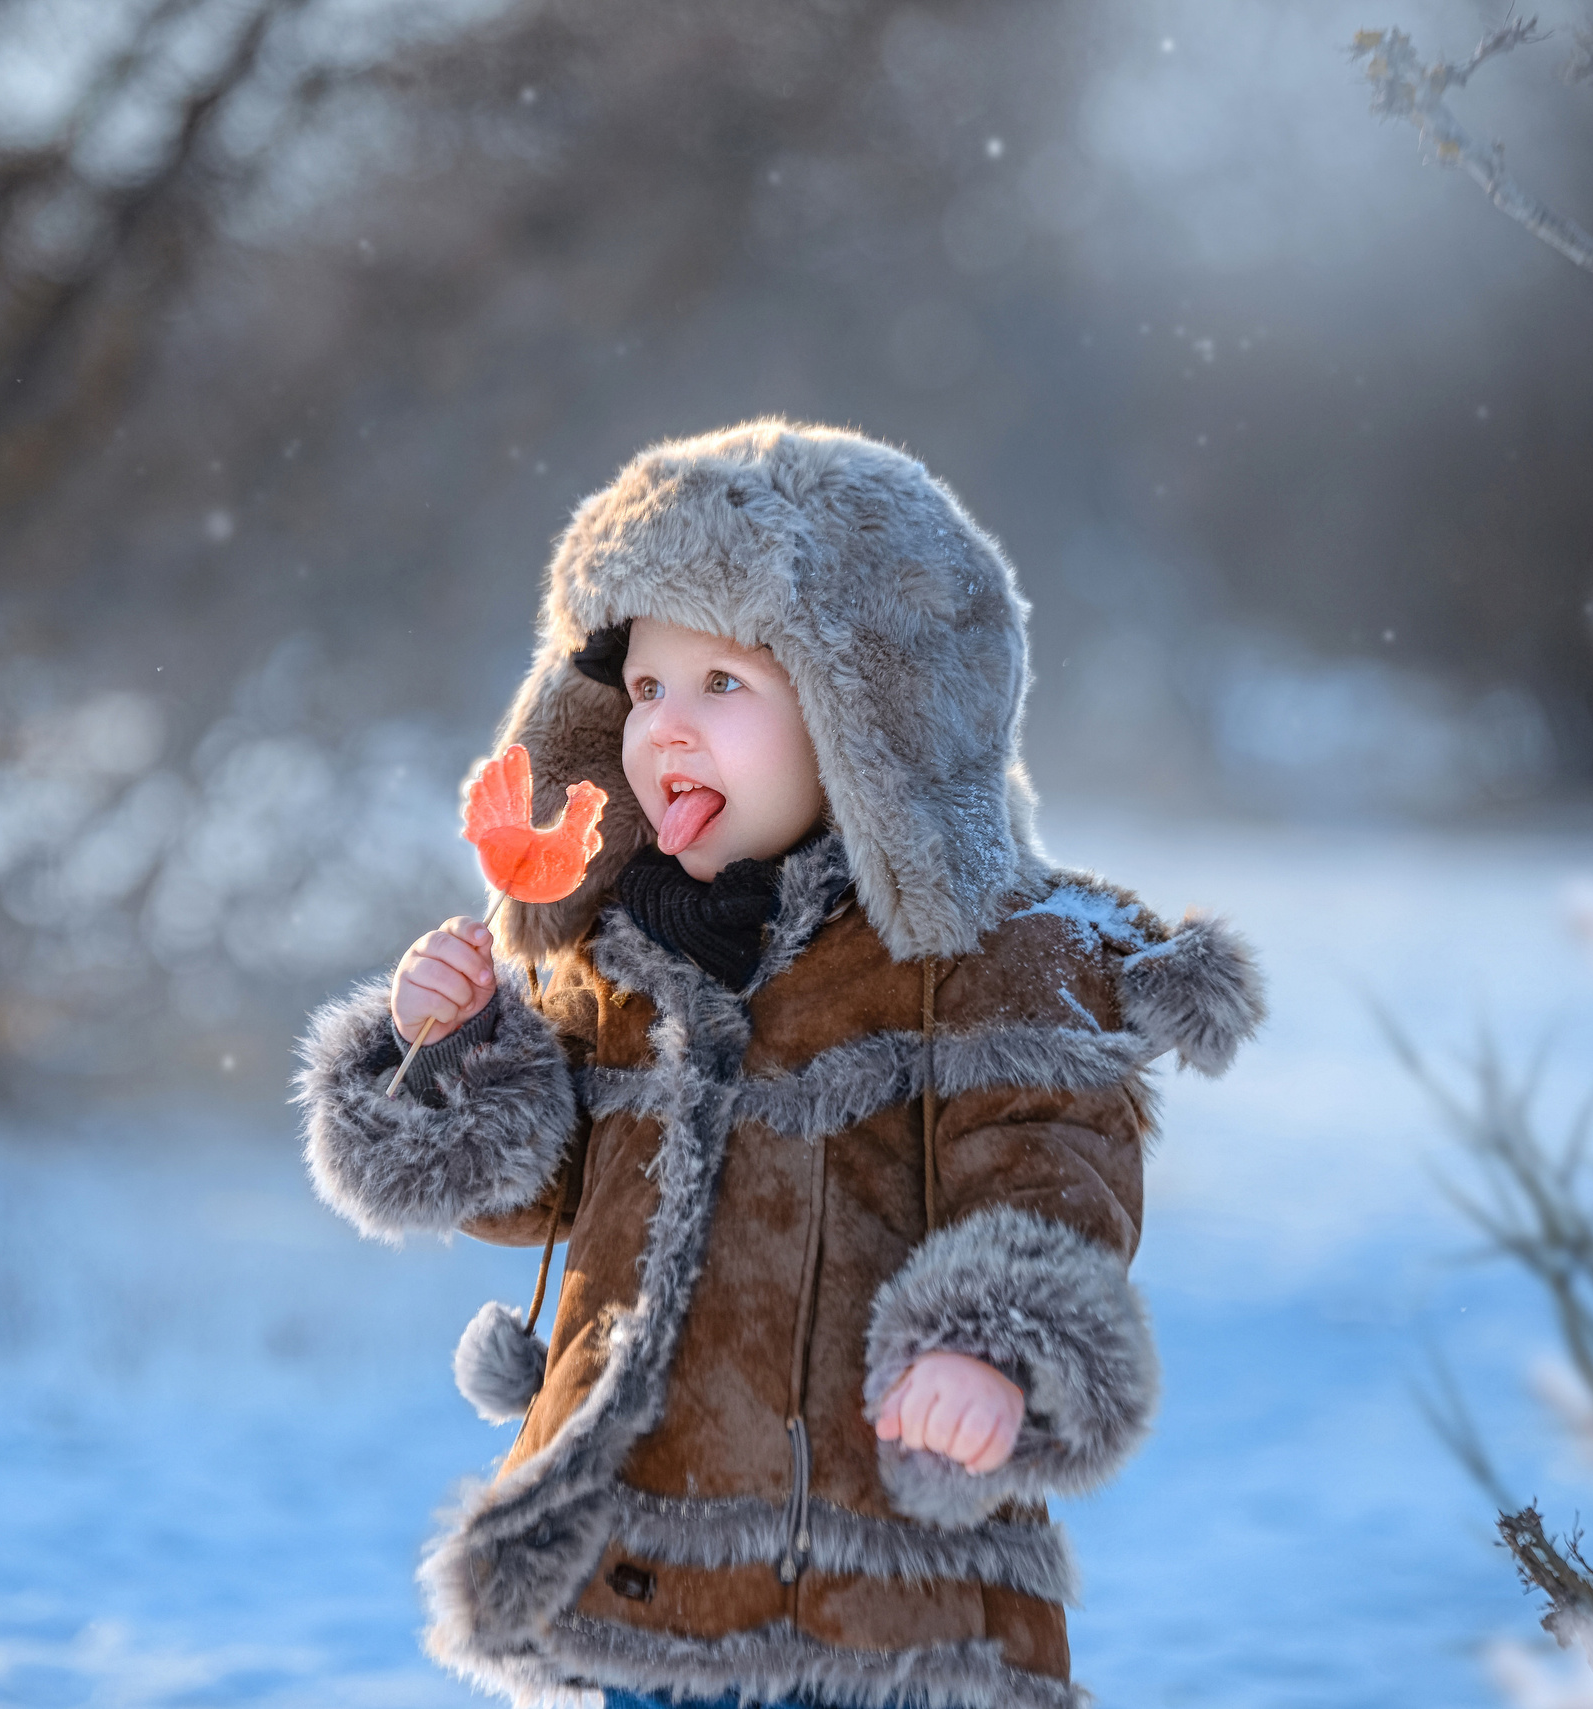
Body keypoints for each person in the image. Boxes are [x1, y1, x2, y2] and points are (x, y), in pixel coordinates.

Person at [296, 420, 1264, 1709]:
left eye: (722, 685)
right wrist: (454, 1041)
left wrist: (988, 1348)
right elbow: (527, 1191)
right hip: (639, 1572)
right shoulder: (620, 952)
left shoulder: (982, 960)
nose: (667, 731)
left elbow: (1050, 1170)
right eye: (645, 690)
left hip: (875, 1597)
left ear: (867, 717)